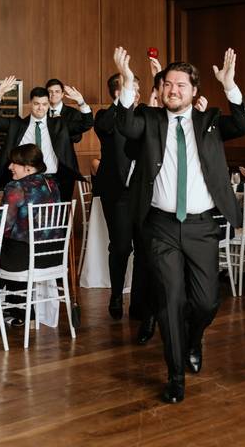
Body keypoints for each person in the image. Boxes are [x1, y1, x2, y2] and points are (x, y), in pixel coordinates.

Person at [113, 45, 245, 404]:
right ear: (160, 90)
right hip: (160, 226)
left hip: (201, 226)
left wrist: (230, 86)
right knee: (170, 302)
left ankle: (194, 339)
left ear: (194, 92)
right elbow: (125, 125)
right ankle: (175, 376)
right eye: (168, 85)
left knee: (206, 303)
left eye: (181, 85)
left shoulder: (210, 121)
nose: (173, 90)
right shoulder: (149, 119)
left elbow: (244, 124)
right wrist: (128, 82)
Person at [0, 77, 92, 204]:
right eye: (36, 104)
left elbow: (87, 123)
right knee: (27, 219)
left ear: (48, 104)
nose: (41, 108)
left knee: (57, 220)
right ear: (30, 103)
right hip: (23, 182)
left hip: (55, 180)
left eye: (44, 104)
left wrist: (81, 101)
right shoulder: (17, 125)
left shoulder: (60, 125)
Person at [94, 73, 144, 325]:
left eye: (137, 90)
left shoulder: (143, 114)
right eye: (132, 90)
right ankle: (115, 296)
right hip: (118, 192)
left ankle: (137, 300)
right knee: (122, 246)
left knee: (144, 247)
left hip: (145, 192)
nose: (137, 95)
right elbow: (105, 128)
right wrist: (122, 102)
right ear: (118, 93)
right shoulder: (105, 116)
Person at [0, 145, 62, 326]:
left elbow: (4, 225)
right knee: (13, 247)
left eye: (14, 164)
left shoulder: (16, 187)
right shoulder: (51, 184)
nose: (10, 167)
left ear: (27, 167)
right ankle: (19, 310)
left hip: (26, 259)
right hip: (52, 255)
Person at [45, 78, 94, 145]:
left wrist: (81, 102)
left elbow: (77, 138)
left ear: (62, 94)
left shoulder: (73, 113)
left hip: (64, 154)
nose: (53, 94)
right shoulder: (41, 113)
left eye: (57, 91)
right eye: (50, 92)